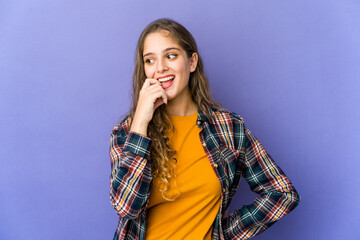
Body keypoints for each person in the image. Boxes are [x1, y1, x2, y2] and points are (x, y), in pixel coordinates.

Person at [109, 18, 300, 240]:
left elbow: (282, 194)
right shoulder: (126, 133)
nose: (160, 67)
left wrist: (221, 233)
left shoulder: (228, 128)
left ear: (192, 62)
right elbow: (125, 207)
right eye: (150, 60)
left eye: (171, 55)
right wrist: (141, 122)